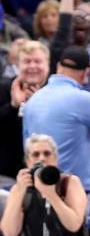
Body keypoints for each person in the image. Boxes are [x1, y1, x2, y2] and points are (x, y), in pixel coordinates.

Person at [23, 45, 90, 192]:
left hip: (39, 185)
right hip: (73, 188)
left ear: (59, 66)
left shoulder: (33, 100)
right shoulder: (82, 98)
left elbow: (27, 145)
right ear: (86, 73)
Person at [0, 41, 49, 179]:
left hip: (45, 173)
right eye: (27, 61)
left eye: (37, 61)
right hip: (7, 174)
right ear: (17, 65)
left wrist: (38, 104)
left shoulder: (54, 93)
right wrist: (13, 106)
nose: (32, 66)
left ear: (47, 65)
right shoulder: (4, 88)